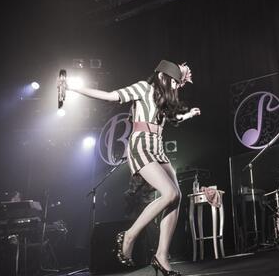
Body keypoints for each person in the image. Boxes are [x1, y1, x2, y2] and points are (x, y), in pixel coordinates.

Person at [65, 60, 200, 275]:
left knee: (176, 197)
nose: (176, 87)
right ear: (162, 77)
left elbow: (173, 117)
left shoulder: (162, 99)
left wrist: (189, 114)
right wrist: (73, 87)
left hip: (157, 147)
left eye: (178, 83)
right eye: (174, 82)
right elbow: (110, 96)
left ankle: (161, 256)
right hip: (141, 146)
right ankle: (129, 235)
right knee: (170, 193)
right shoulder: (143, 88)